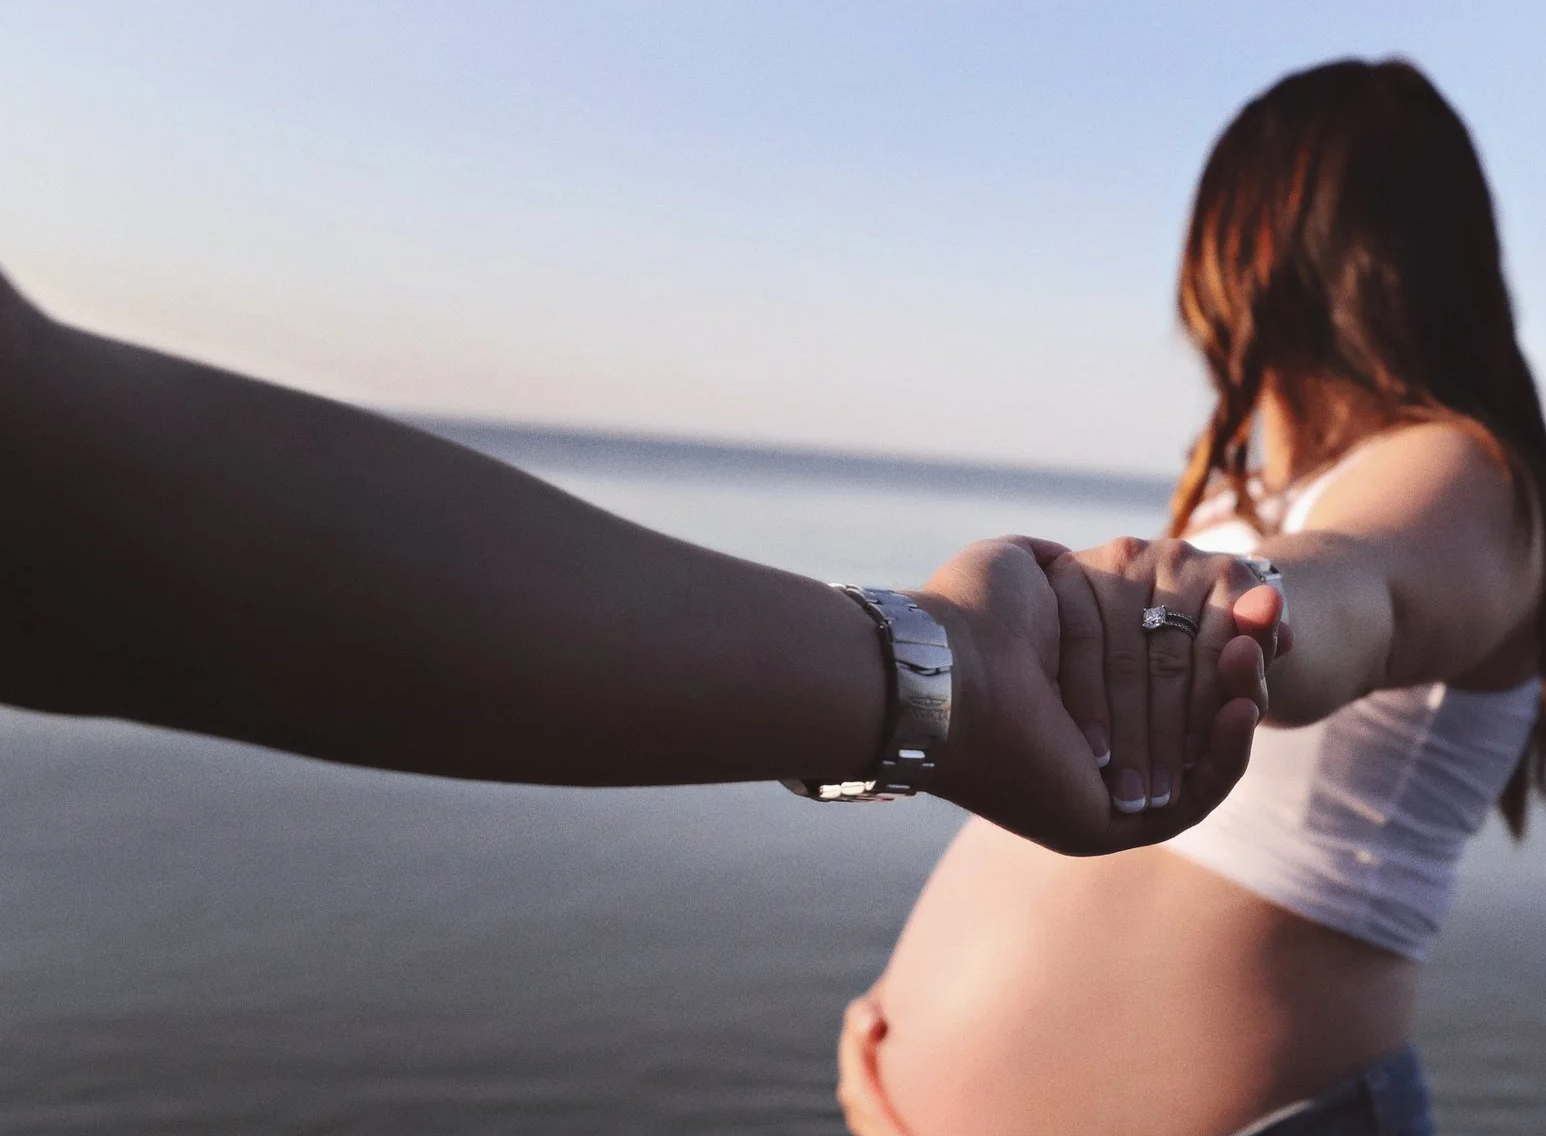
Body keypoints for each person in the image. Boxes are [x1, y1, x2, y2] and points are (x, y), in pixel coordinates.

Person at [835, 59, 1546, 1136]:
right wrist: (910, 1011)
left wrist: (1223, 600)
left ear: (1265, 252)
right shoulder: (1254, 484)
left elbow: (1348, 599)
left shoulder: (1469, 483)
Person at [0, 265, 1280, 852]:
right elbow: (59, 504)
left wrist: (967, 683)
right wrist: (957, 684)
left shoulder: (1448, 494)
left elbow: (57, 504)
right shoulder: (1241, 472)